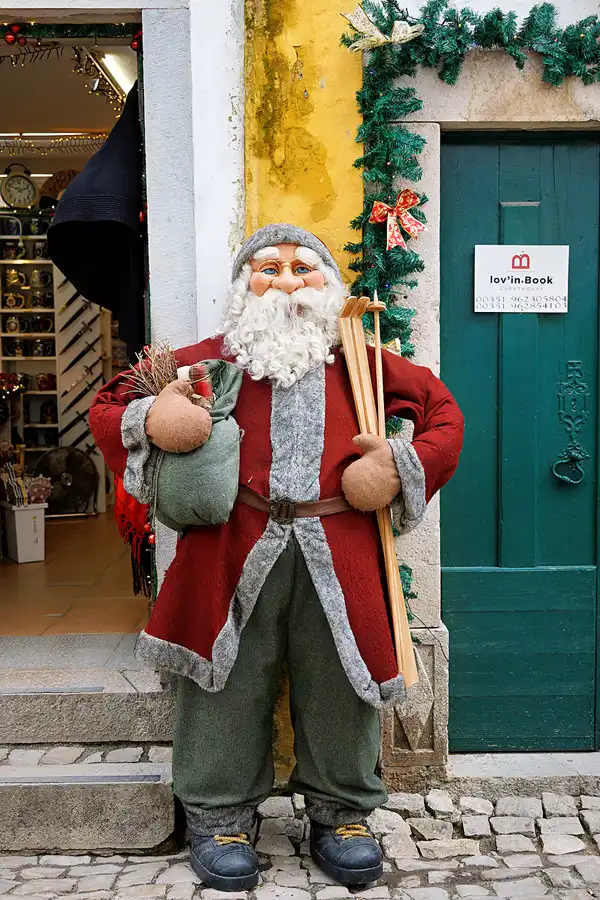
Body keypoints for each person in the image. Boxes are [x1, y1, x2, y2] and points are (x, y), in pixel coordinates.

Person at [90, 224, 464, 892]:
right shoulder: (206, 363)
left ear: (327, 284)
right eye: (268, 268)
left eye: (303, 267)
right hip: (234, 549)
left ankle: (341, 813)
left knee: (340, 680)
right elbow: (109, 403)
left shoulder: (364, 362)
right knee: (223, 680)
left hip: (340, 549)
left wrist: (398, 463)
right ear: (244, 285)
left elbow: (444, 416)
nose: (287, 280)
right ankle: (219, 815)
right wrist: (154, 416)